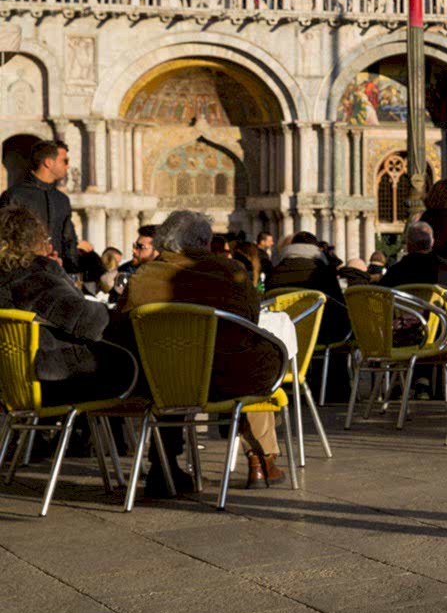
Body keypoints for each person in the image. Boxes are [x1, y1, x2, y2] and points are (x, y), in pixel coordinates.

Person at [114, 212, 288, 489]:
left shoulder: (142, 277)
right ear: (205, 243)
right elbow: (249, 321)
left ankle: (164, 464)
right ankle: (261, 461)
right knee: (255, 359)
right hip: (224, 381)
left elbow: (120, 327)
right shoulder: (232, 273)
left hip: (159, 383)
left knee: (172, 369)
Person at [0, 204, 134, 413]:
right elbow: (89, 323)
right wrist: (56, 273)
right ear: (34, 242)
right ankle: (111, 445)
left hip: (12, 383)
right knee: (129, 365)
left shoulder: (8, 278)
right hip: (52, 381)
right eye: (46, 241)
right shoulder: (35, 278)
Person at [0, 140, 96, 279]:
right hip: (21, 276)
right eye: (64, 161)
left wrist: (74, 274)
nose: (68, 166)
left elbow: (68, 240)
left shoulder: (61, 199)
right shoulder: (14, 195)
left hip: (56, 276)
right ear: (48, 162)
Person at [382, 221, 447, 291]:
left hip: (406, 307)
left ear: (408, 245)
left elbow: (380, 294)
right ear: (432, 242)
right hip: (438, 307)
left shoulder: (396, 272)